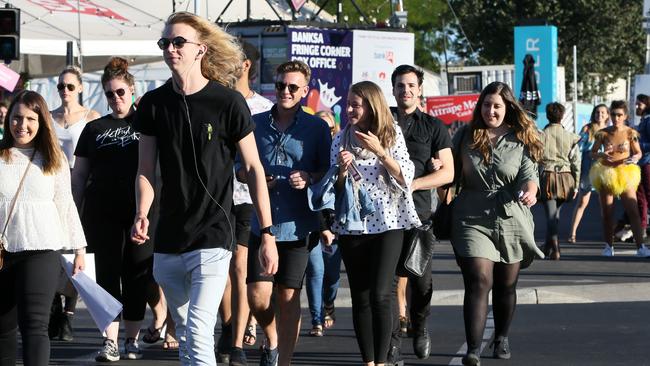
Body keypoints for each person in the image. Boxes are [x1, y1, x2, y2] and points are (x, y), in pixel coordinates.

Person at [130, 12, 277, 366]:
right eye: (165, 42)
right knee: (186, 331)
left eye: (179, 42)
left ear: (201, 49)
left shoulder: (227, 102)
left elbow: (254, 168)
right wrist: (141, 212)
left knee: (196, 329)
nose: (171, 49)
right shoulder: (153, 104)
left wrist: (267, 232)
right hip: (168, 237)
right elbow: (145, 169)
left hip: (213, 232)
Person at [243, 60, 331, 366]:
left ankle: (286, 362)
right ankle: (273, 337)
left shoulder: (317, 128)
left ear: (305, 91)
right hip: (261, 224)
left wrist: (309, 177)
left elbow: (326, 171)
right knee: (257, 296)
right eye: (281, 85)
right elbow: (240, 170)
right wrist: (255, 178)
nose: (286, 91)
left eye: (293, 87)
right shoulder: (254, 122)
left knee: (288, 296)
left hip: (298, 225)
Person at [451, 82, 544, 365]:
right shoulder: (466, 135)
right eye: (487, 105)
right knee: (479, 279)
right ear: (480, 106)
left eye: (497, 106)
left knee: (506, 285)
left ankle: (501, 337)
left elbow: (530, 176)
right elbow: (450, 169)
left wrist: (530, 191)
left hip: (511, 216)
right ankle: (473, 349)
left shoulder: (521, 139)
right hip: (471, 216)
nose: (491, 111)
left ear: (508, 109)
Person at [333, 80, 420, 366]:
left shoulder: (391, 133)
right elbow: (332, 188)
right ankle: (368, 361)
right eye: (348, 104)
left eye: (355, 105)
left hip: (388, 223)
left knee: (381, 294)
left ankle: (382, 361)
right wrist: (342, 172)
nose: (348, 110)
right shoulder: (342, 137)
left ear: (371, 106)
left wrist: (381, 151)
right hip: (353, 225)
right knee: (360, 296)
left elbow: (406, 176)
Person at [71, 57, 151, 361]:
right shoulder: (93, 128)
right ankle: (111, 341)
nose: (116, 98)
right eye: (110, 94)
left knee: (136, 275)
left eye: (121, 92)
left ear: (132, 91)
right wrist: (72, 214)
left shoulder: (146, 125)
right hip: (101, 213)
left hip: (138, 213)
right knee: (106, 276)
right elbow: (79, 176)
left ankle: (132, 339)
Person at [0, 90, 87, 366]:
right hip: (3, 251)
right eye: (16, 118)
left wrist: (79, 248)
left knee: (35, 326)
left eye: (29, 119)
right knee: (2, 329)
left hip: (42, 249)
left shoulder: (53, 159)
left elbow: (66, 203)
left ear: (42, 122)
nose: (21, 125)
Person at [387, 65, 454, 364]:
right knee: (388, 283)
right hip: (385, 215)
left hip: (420, 215)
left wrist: (415, 183)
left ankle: (421, 325)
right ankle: (392, 341)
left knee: (421, 281)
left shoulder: (434, 126)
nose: (406, 91)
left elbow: (448, 173)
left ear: (420, 89)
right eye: (401, 86)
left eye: (411, 85)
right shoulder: (383, 120)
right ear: (393, 89)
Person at [224, 39, 274, 366]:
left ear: (245, 66)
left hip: (247, 200)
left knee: (241, 268)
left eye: (232, 60)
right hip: (217, 198)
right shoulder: (218, 100)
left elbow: (264, 159)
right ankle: (230, 326)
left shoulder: (264, 108)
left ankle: (237, 341)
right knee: (225, 271)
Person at [48, 65, 100, 342]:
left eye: (69, 86)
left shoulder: (91, 118)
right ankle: (55, 307)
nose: (64, 91)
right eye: (60, 86)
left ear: (80, 88)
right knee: (53, 249)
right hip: (53, 190)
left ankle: (68, 313)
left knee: (75, 250)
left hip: (81, 189)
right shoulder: (48, 117)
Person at [589, 100, 650, 257]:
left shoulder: (631, 133)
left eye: (619, 115)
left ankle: (641, 247)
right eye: (613, 114)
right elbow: (592, 152)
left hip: (624, 173)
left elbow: (638, 152)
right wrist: (601, 154)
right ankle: (608, 246)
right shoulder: (603, 133)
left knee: (633, 211)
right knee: (607, 212)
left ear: (625, 116)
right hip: (606, 173)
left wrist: (635, 158)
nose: (616, 118)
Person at [305, 110, 342, 338]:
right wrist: (322, 228)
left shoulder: (341, 152)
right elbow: (311, 193)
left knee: (332, 277)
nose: (325, 133)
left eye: (329, 128)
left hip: (336, 224)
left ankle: (329, 303)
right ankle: (316, 319)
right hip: (313, 222)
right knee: (315, 272)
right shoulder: (308, 153)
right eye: (320, 127)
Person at [539, 102, 581, 260]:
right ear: (562, 116)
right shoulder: (571, 137)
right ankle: (547, 246)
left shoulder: (540, 135)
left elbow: (535, 160)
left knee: (550, 215)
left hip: (547, 178)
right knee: (555, 215)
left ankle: (555, 248)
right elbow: (576, 162)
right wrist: (576, 185)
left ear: (548, 115)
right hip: (566, 178)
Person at [567, 104, 608, 243]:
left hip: (604, 170)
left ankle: (607, 235)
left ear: (607, 115)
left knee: (605, 204)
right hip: (588, 169)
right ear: (593, 114)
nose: (600, 115)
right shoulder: (587, 128)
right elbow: (577, 148)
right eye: (597, 112)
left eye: (603, 112)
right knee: (582, 202)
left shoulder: (610, 130)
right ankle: (572, 234)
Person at [635, 94, 650, 236]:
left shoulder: (649, 120)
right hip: (639, 163)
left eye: (639, 104)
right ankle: (642, 228)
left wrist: (637, 145)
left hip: (647, 163)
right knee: (640, 196)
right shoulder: (643, 120)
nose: (636, 107)